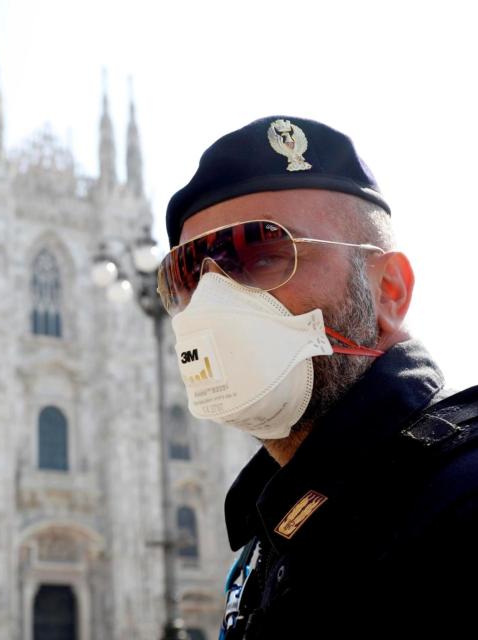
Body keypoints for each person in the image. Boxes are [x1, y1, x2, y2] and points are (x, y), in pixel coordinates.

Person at [159, 116, 478, 639]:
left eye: (260, 254)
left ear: (389, 290)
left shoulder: (459, 504)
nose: (209, 308)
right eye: (187, 276)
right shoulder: (271, 530)